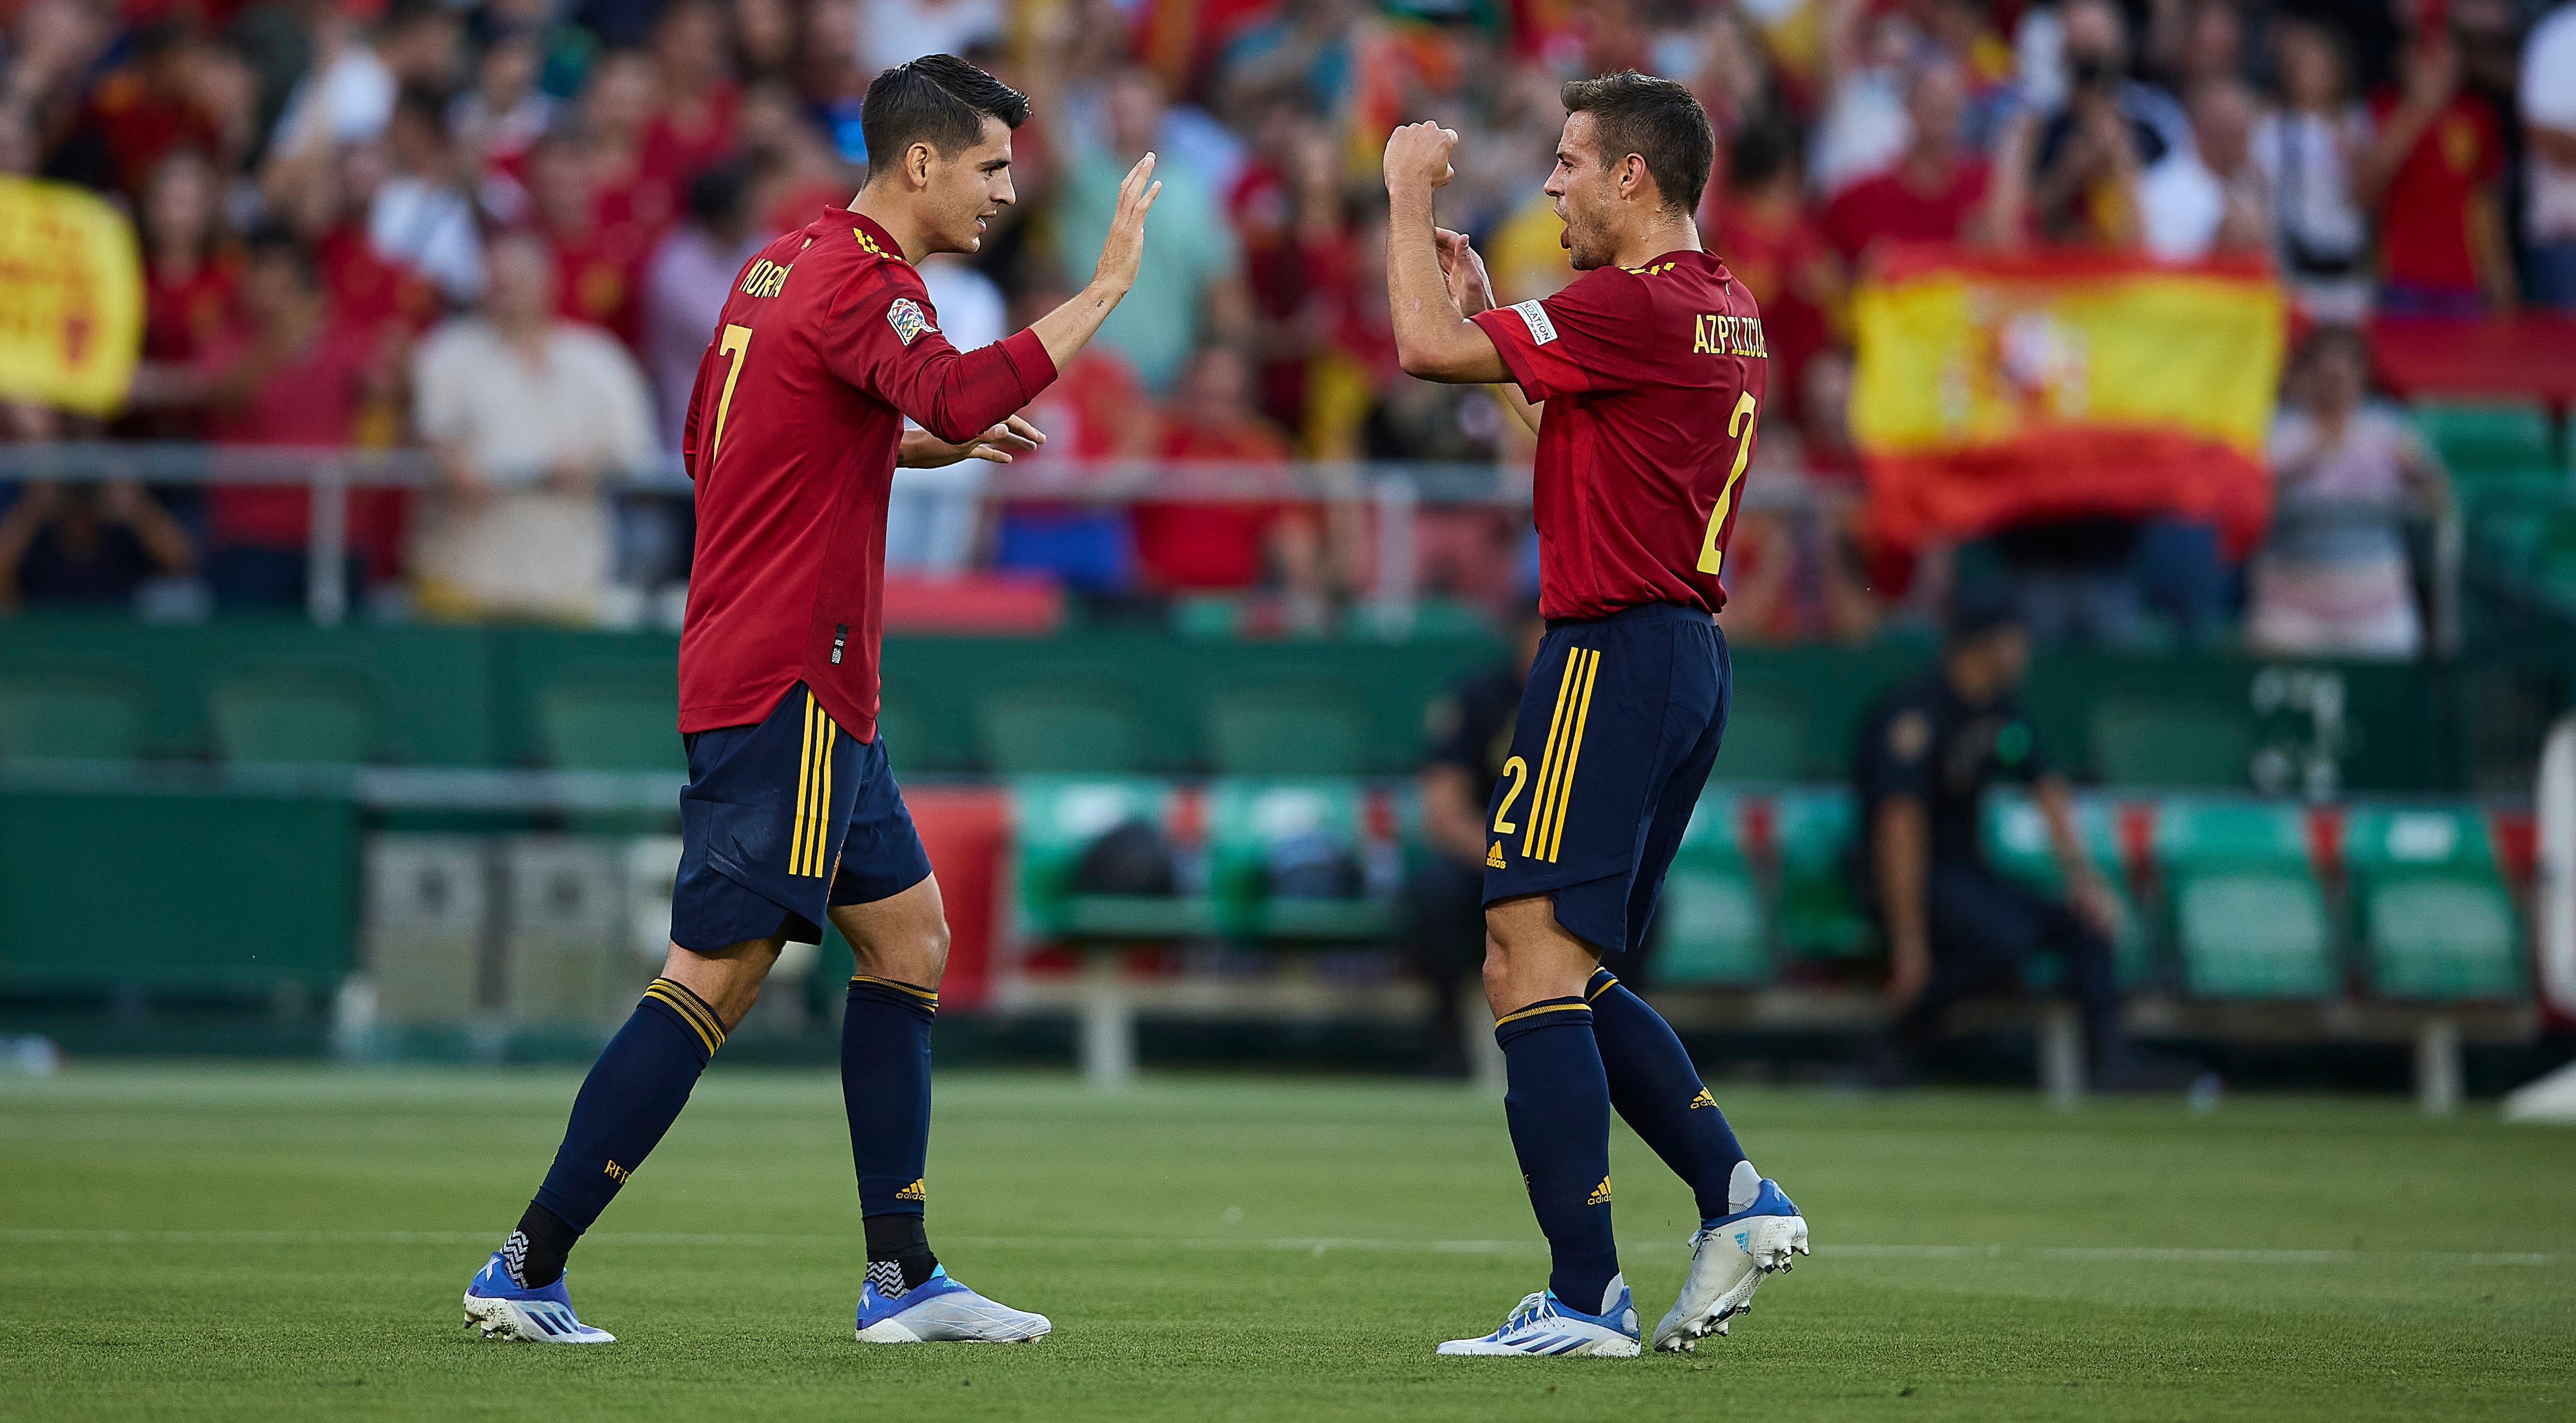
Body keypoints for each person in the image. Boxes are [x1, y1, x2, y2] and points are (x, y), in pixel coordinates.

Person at [457, 52, 1160, 1347]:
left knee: (909, 942)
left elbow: (737, 436)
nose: (1006, 191)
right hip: (785, 675)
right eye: (993, 167)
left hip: (802, 675)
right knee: (714, 975)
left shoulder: (778, 264)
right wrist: (1105, 287)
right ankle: (525, 1260)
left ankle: (904, 1277)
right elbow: (943, 388)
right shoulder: (863, 279)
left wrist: (925, 439)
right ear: (920, 163)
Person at [1381, 71, 1810, 1359]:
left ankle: (1584, 1295)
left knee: (1522, 958)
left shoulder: (1626, 304)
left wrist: (1404, 198)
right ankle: (1735, 1195)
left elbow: (1416, 355)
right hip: (1676, 654)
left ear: (1634, 176)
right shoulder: (1718, 306)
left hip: (1609, 650)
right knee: (1562, 962)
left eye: (1569, 161)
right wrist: (1488, 317)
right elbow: (1569, 424)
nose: (1551, 182)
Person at [1851, 597, 2124, 1085]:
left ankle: (2110, 1066)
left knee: (2085, 926)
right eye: (2017, 639)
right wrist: (1909, 942)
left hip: (1966, 875)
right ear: (1986, 643)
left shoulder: (2002, 709)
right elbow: (1899, 827)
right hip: (1903, 881)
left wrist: (2085, 879)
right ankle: (1894, 1039)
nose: (2026, 652)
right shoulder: (1915, 712)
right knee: (2003, 938)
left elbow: (2046, 788)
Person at [408, 233, 656, 622]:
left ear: (548, 282)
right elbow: (433, 438)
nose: (505, 290)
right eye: (495, 280)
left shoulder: (599, 359)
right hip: (464, 583)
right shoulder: (447, 353)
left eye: (517, 279)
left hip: (567, 581)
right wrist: (451, 464)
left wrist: (588, 467)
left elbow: (632, 451)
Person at [2247, 327, 2449, 659]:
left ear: (2362, 376)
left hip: (2379, 616)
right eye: (2326, 374)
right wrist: (2307, 458)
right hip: (2292, 617)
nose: (2335, 384)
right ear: (2308, 375)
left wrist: (2420, 477)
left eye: (2344, 373)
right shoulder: (2278, 430)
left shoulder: (2388, 428)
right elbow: (2253, 498)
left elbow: (2438, 497)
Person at [1408, 608, 1545, 1077]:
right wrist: (1507, 862)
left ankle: (1614, 1053)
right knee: (1433, 894)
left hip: (1568, 865)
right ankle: (1447, 1045)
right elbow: (1443, 813)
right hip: (1487, 861)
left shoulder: (1599, 702)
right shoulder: (1481, 699)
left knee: (1637, 899)